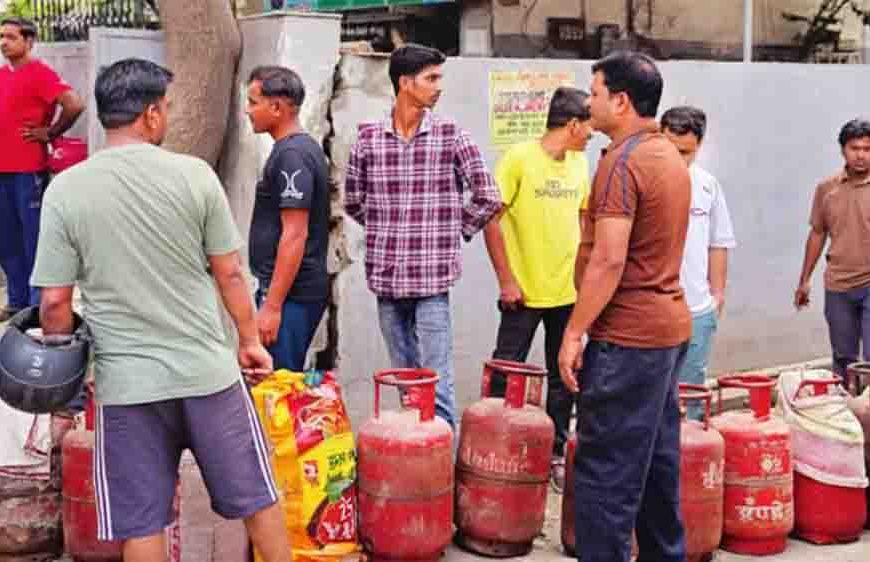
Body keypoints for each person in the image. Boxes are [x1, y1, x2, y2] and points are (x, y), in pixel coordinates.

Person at [30, 58, 291, 562]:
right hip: (207, 376)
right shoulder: (194, 176)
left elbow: (55, 303)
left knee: (142, 522)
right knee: (257, 498)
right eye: (166, 108)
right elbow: (230, 273)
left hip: (127, 388)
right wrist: (249, 341)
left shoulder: (66, 189)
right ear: (151, 114)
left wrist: (74, 370)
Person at [557, 51, 692, 562]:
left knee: (605, 475)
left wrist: (574, 333)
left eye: (594, 93)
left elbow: (609, 260)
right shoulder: (667, 157)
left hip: (630, 338)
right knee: (656, 467)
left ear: (620, 100)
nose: (588, 103)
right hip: (665, 332)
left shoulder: (624, 160)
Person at [344, 44, 501, 429]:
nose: (439, 87)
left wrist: (453, 230)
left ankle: (441, 471)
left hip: (432, 282)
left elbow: (489, 196)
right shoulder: (369, 141)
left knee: (437, 381)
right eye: (431, 78)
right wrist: (388, 231)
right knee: (404, 380)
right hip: (387, 280)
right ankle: (415, 457)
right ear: (404, 83)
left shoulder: (451, 137)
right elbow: (352, 201)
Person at [483, 86, 593, 492]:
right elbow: (491, 219)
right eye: (589, 125)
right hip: (524, 292)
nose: (593, 132)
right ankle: (495, 448)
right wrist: (506, 280)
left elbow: (585, 224)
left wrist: (586, 281)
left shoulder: (581, 164)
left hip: (568, 292)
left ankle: (558, 455)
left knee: (564, 375)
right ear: (572, 124)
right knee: (506, 370)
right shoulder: (518, 159)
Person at [245, 65, 330, 371]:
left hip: (293, 295)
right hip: (287, 293)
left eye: (254, 102)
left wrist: (272, 306)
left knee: (277, 387)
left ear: (277, 107)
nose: (248, 111)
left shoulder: (292, 155)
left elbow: (295, 233)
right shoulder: (291, 150)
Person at [0, 16, 84, 321]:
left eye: (10, 37)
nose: (3, 42)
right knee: (6, 239)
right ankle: (17, 301)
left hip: (27, 170)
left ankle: (38, 307)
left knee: (33, 238)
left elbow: (74, 104)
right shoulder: (1, 75)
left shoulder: (40, 74)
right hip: (1, 171)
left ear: (29, 41)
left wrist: (49, 132)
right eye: (1, 37)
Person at [661, 105, 736, 419]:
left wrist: (716, 296)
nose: (678, 159)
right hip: (653, 310)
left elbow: (718, 243)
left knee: (691, 394)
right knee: (654, 393)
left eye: (686, 153)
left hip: (697, 308)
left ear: (699, 146)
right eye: (671, 150)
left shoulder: (707, 186)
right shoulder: (643, 180)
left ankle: (688, 456)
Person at [796, 119, 870, 378]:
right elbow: (818, 233)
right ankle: (847, 411)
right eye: (855, 148)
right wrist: (804, 280)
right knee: (843, 358)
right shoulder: (827, 189)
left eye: (867, 149)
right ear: (843, 150)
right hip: (838, 285)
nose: (861, 155)